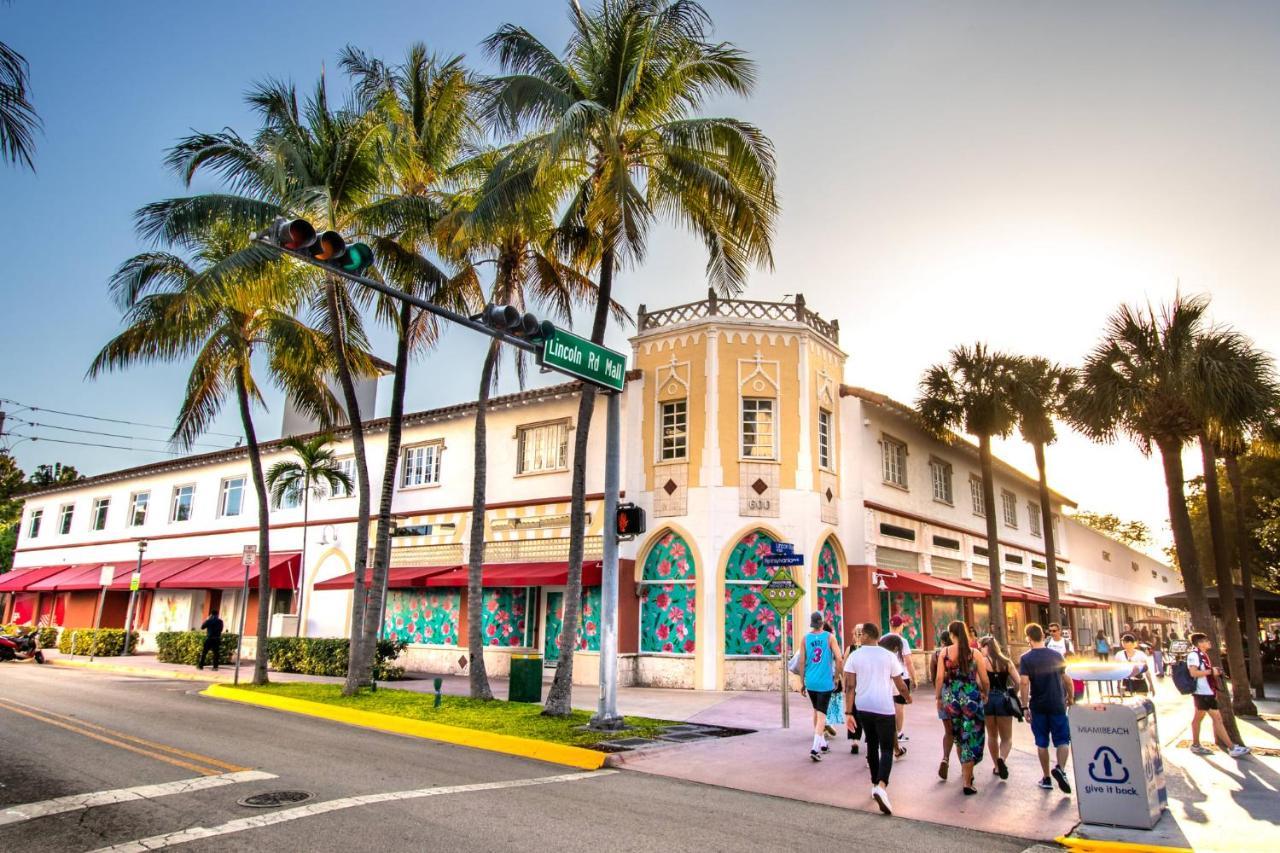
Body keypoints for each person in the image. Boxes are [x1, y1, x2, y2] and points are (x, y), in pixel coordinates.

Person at [845, 622, 911, 815]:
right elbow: (900, 684)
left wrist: (849, 713)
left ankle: (875, 783)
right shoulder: (889, 656)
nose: (858, 637)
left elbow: (850, 686)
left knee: (871, 745)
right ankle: (881, 785)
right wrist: (907, 697)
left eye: (860, 634)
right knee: (887, 748)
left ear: (867, 635)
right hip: (884, 707)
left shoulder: (855, 656)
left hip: (864, 706)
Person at [936, 620, 989, 795]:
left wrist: (938, 697)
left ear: (951, 634)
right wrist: (984, 692)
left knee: (959, 735)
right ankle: (967, 780)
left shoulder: (944, 652)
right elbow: (984, 679)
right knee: (971, 737)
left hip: (952, 699)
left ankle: (964, 772)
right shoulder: (975, 653)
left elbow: (938, 679)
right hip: (971, 699)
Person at [1019, 623, 1073, 794]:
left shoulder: (1026, 658)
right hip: (1057, 702)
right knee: (1063, 740)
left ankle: (1046, 777)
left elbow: (1024, 682)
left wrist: (1024, 706)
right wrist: (1070, 697)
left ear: (1028, 638)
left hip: (1038, 705)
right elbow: (1067, 679)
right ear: (1043, 635)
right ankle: (1061, 769)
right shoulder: (1056, 655)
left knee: (1042, 742)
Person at [1186, 632, 1250, 757]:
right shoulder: (1194, 655)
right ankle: (1231, 747)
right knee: (1217, 718)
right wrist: (1211, 671)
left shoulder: (1202, 655)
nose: (1209, 642)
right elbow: (1193, 673)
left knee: (1198, 719)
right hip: (1202, 692)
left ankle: (1195, 745)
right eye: (1206, 640)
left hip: (1206, 692)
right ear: (1199, 643)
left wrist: (1212, 672)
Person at [798, 610, 843, 762]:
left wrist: (802, 682)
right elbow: (839, 658)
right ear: (822, 623)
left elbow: (801, 662)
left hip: (810, 681)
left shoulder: (805, 639)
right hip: (825, 682)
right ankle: (815, 748)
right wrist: (836, 677)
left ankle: (823, 744)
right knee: (822, 715)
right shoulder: (830, 637)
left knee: (817, 711)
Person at [980, 635, 1018, 781]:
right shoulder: (1006, 662)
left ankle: (996, 763)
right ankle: (1001, 759)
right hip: (1003, 698)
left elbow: (980, 681)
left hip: (988, 699)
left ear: (986, 647)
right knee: (1007, 737)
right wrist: (1014, 693)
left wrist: (984, 693)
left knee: (992, 735)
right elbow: (1018, 681)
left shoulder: (982, 662)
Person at [884, 615, 915, 745]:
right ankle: (899, 732)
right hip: (902, 676)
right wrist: (914, 678)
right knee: (899, 706)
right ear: (900, 625)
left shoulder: (882, 639)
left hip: (886, 676)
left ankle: (888, 732)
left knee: (887, 704)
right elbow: (908, 662)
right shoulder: (903, 641)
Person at [878, 634, 910, 758]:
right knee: (889, 725)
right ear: (895, 648)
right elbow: (898, 682)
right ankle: (887, 754)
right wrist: (907, 696)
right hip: (884, 697)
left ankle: (896, 749)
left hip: (865, 698)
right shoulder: (890, 658)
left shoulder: (871, 655)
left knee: (873, 728)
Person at [931, 632, 955, 779]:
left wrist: (938, 695)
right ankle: (966, 772)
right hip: (960, 693)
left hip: (945, 693)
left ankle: (945, 758)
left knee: (948, 731)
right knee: (960, 732)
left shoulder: (936, 655)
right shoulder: (961, 652)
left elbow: (935, 676)